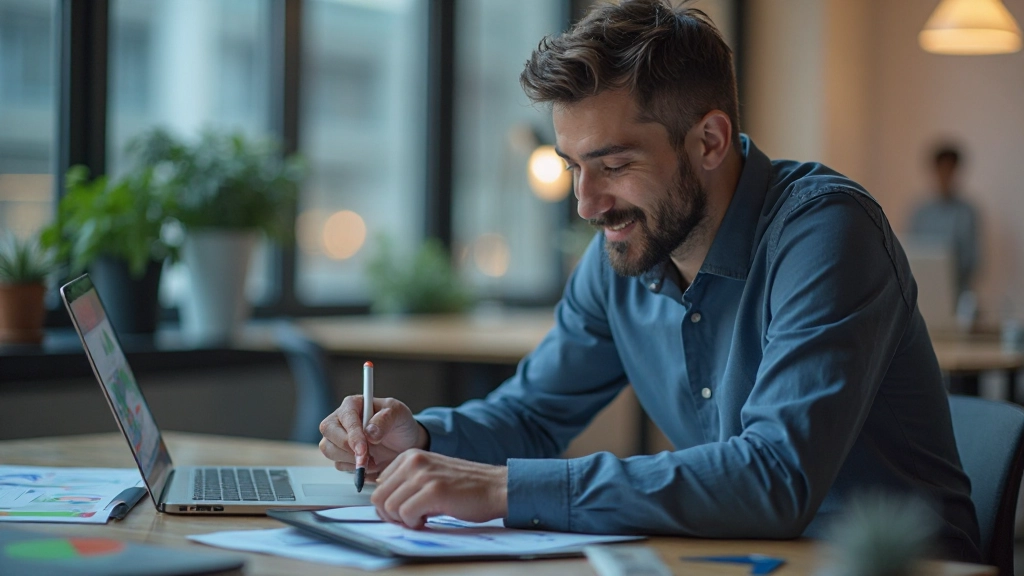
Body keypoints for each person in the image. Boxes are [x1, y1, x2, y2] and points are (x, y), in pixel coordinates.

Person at [320, 0, 980, 561]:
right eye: (573, 166)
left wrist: (504, 489)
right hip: (734, 559)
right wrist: (424, 439)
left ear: (711, 141)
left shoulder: (826, 233)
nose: (586, 203)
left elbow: (775, 478)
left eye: (614, 164)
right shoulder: (625, 250)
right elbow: (531, 413)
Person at [908, 144, 981, 299]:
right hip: (923, 293)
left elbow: (973, 261)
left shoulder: (967, 212)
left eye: (950, 170)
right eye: (942, 169)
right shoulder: (920, 212)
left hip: (957, 294)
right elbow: (909, 253)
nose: (945, 175)